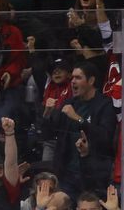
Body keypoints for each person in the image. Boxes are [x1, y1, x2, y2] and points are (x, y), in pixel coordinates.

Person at [44, 61, 117, 199]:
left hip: (94, 176)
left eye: (78, 78)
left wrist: (78, 119)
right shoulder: (69, 103)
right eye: (72, 78)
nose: (73, 82)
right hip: (67, 175)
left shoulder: (104, 104)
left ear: (91, 80)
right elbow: (48, 134)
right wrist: (47, 114)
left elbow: (105, 137)